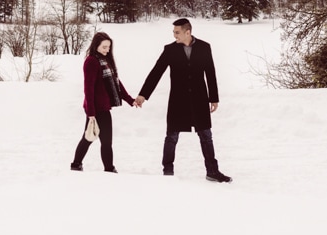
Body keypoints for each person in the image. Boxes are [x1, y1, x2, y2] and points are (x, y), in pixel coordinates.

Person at [135, 18, 231, 182]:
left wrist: (213, 98)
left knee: (206, 136)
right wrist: (143, 94)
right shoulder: (170, 50)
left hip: (199, 99)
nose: (174, 35)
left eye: (177, 32)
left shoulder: (204, 47)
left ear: (188, 32)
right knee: (171, 137)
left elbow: (210, 73)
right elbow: (156, 72)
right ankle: (168, 171)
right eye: (173, 32)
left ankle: (212, 171)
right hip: (178, 100)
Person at [71, 31, 134, 173]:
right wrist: (91, 113)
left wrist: (130, 100)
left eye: (109, 47)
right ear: (96, 45)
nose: (107, 50)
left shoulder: (105, 60)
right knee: (98, 140)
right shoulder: (92, 61)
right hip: (96, 108)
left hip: (102, 107)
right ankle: (108, 169)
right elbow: (88, 88)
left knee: (92, 139)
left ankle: (77, 165)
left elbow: (116, 82)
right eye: (104, 47)